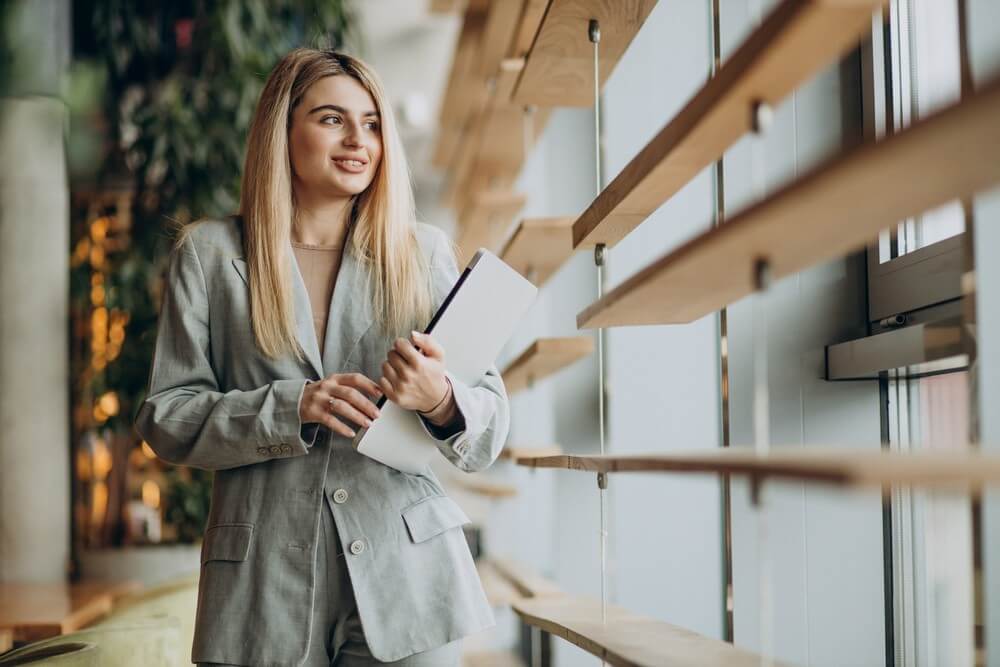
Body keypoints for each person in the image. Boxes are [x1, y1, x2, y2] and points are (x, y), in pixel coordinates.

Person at [134, 48, 510, 666]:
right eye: (333, 119)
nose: (358, 140)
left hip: (409, 584)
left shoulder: (422, 254)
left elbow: (489, 429)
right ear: (282, 131)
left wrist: (440, 399)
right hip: (260, 592)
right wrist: (294, 407)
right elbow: (166, 417)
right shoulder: (208, 255)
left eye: (372, 123)